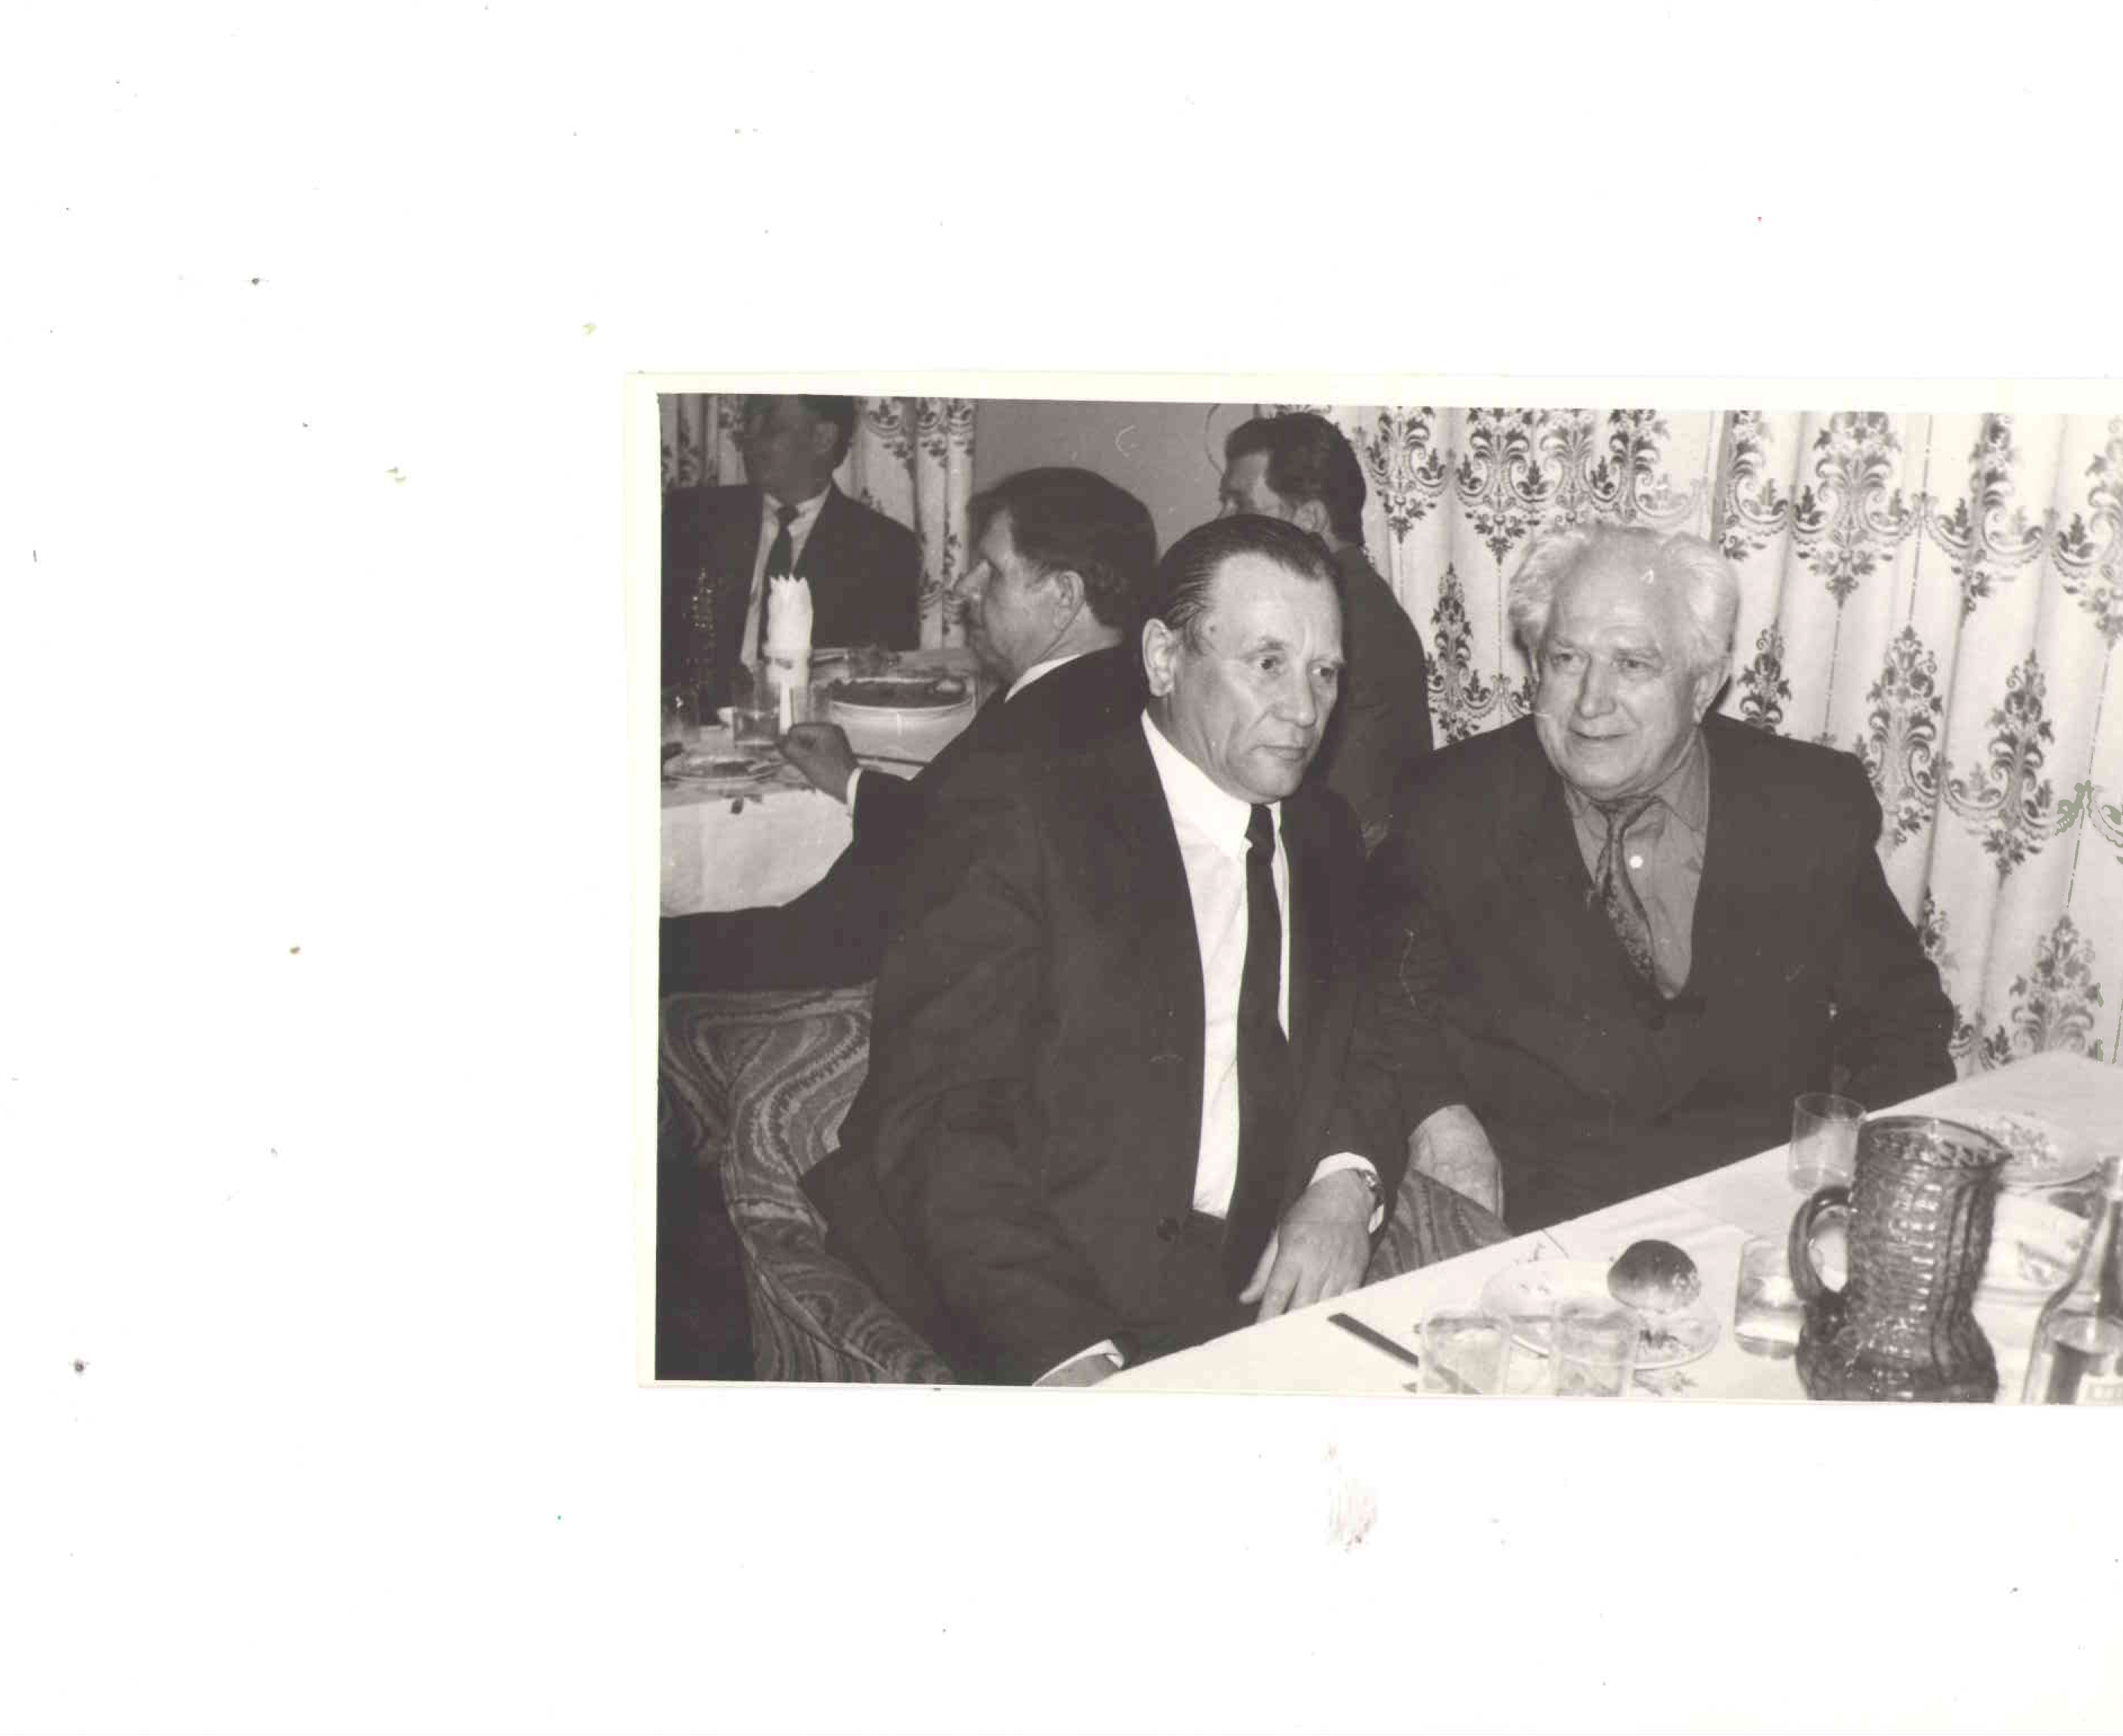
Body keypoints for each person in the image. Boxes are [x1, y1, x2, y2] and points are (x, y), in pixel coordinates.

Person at [808, 515, 1403, 1385]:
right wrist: (1065, 1348)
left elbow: (1367, 1030)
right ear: (1164, 659)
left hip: (1239, 1287)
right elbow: (939, 1118)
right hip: (1023, 1280)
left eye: (1325, 671)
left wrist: (1347, 1181)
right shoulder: (1022, 817)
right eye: (1267, 662)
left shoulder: (1324, 831)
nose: (1306, 709)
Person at [1364, 520, 1959, 1233]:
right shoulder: (1451, 803)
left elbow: (1900, 1017)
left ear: (1703, 685)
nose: (1591, 702)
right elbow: (1382, 994)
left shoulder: (1808, 805)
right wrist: (1437, 1117)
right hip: (1529, 1222)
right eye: (1566, 659)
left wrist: (1872, 1187)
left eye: (1633, 665)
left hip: (1756, 1217)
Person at [660, 468, 1156, 991]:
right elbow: (944, 828)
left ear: (1064, 595)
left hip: (866, 969)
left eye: (991, 571)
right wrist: (851, 780)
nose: (964, 588)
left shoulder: (1041, 730)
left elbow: (869, 921)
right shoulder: (1096, 692)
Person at [1219, 411, 1430, 847]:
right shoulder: (1354, 601)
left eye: (1241, 503)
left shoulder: (1339, 621)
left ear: (1310, 518)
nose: (1223, 518)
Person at [662, 393, 921, 712]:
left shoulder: (885, 549)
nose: (749, 438)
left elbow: (882, 687)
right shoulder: (693, 519)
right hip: (701, 729)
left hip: (815, 729)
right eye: (749, 424)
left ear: (823, 437)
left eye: (770, 425)